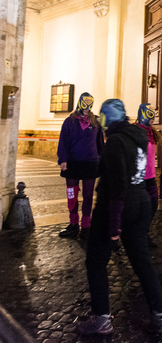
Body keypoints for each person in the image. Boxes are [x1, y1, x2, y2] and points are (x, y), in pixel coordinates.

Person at [78, 99, 162, 335]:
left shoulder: (116, 141)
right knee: (142, 262)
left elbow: (118, 183)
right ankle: (159, 315)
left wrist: (115, 226)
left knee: (96, 261)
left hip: (115, 209)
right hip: (140, 203)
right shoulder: (137, 136)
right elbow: (129, 169)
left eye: (102, 117)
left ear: (108, 117)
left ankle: (102, 318)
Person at [57, 92, 104, 239]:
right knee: (72, 195)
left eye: (90, 105)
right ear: (79, 103)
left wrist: (102, 161)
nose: (87, 108)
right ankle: (73, 224)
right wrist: (62, 159)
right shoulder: (69, 121)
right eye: (85, 104)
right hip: (72, 164)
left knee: (88, 196)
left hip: (90, 164)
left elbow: (100, 143)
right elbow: (63, 141)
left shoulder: (96, 122)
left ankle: (86, 225)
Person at [135, 103, 161, 248]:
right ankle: (137, 236)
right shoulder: (135, 132)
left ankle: (144, 233)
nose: (153, 119)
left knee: (153, 205)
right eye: (150, 115)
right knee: (139, 209)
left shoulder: (152, 132)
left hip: (150, 177)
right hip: (139, 178)